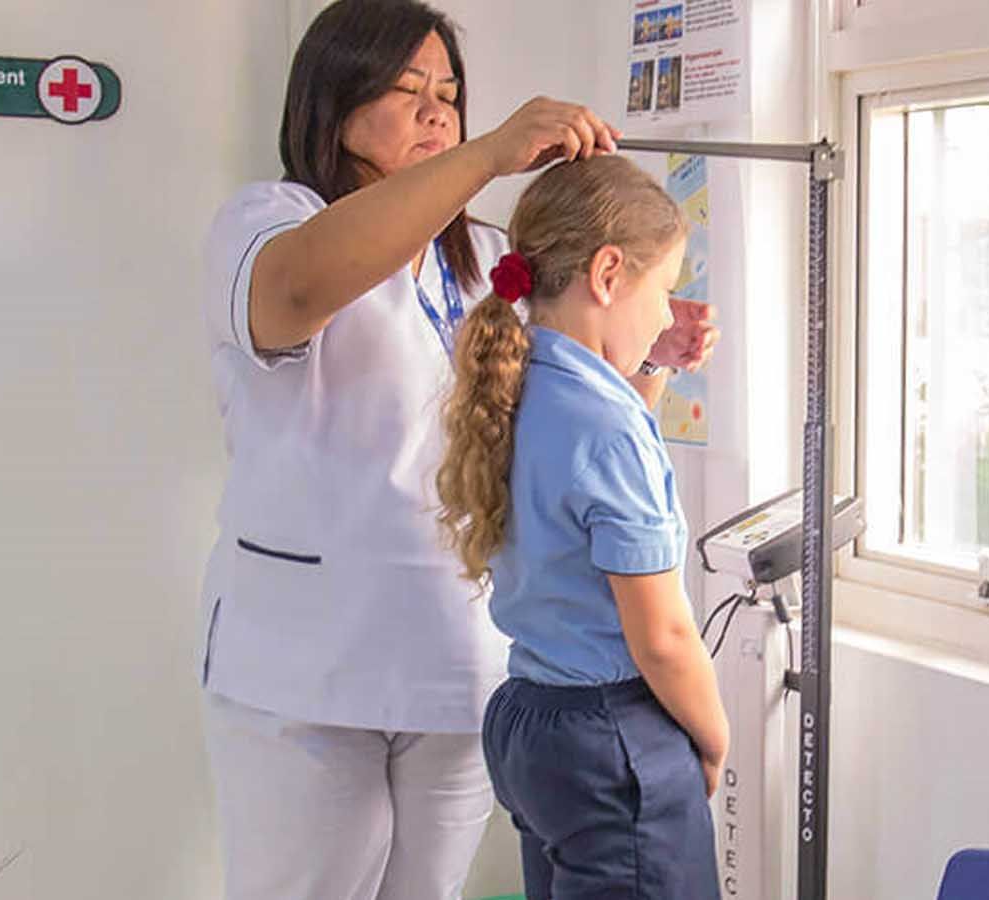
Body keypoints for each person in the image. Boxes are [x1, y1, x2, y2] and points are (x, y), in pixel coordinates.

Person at [198, 2, 718, 898]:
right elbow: (299, 290)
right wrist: (486, 157)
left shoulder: (485, 257)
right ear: (332, 103)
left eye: (448, 95)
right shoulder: (270, 221)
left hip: (458, 661)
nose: (437, 113)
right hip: (307, 670)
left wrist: (642, 351)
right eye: (408, 91)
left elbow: (565, 438)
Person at [436, 154, 727, 900]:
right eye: (663, 291)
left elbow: (600, 464)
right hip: (614, 738)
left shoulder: (522, 387)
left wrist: (656, 364)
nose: (666, 314)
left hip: (534, 724)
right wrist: (712, 736)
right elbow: (663, 637)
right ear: (607, 274)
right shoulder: (603, 427)